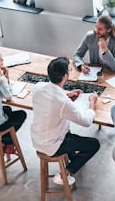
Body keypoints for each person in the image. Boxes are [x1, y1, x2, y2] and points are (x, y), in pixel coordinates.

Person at [30, 57, 100, 186]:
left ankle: (73, 159)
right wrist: (92, 103)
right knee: (94, 144)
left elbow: (52, 97)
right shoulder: (63, 102)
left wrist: (67, 94)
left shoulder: (38, 87)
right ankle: (66, 172)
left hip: (37, 138)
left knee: (69, 132)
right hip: (53, 145)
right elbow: (86, 122)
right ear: (66, 75)